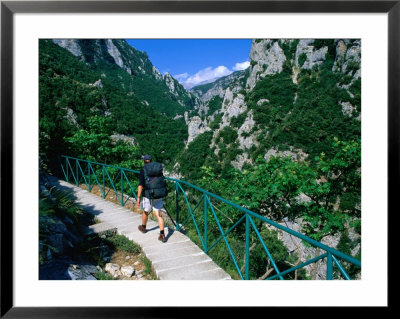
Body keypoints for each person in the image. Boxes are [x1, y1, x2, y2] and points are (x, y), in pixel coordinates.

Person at [136, 154, 167, 242]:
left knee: (145, 211)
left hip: (148, 195)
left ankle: (143, 227)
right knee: (159, 214)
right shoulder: (157, 170)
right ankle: (162, 234)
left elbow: (140, 185)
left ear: (144, 161)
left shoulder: (143, 171)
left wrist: (138, 197)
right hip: (158, 194)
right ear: (151, 161)